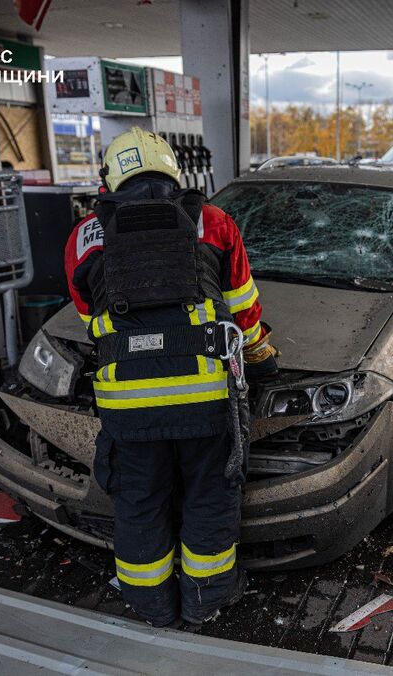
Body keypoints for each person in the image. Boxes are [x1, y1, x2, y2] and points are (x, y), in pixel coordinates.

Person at [64, 127, 278, 626]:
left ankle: (152, 607)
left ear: (111, 179)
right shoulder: (215, 222)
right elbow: (244, 307)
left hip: (128, 405)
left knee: (139, 502)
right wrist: (262, 356)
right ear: (172, 172)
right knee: (209, 496)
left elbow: (88, 317)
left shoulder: (83, 236)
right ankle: (205, 601)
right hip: (205, 396)